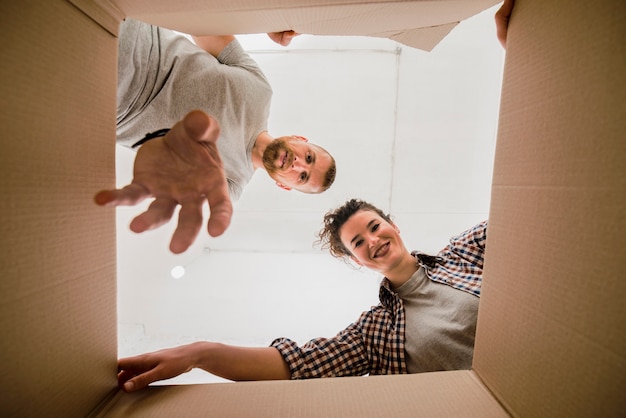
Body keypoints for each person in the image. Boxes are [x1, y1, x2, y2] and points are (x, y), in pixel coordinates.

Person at [117, 198, 487, 391]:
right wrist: (197, 354)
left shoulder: (463, 253)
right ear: (356, 260)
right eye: (358, 242)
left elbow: (523, 212)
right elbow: (296, 365)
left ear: (394, 226)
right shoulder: (374, 332)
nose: (373, 241)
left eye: (375, 227)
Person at [95, 19, 336, 253]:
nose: (298, 164)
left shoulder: (230, 184)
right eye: (309, 157)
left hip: (107, 103)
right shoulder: (262, 90)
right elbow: (202, 25)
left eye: (302, 176)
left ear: (284, 185)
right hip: (135, 29)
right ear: (300, 139)